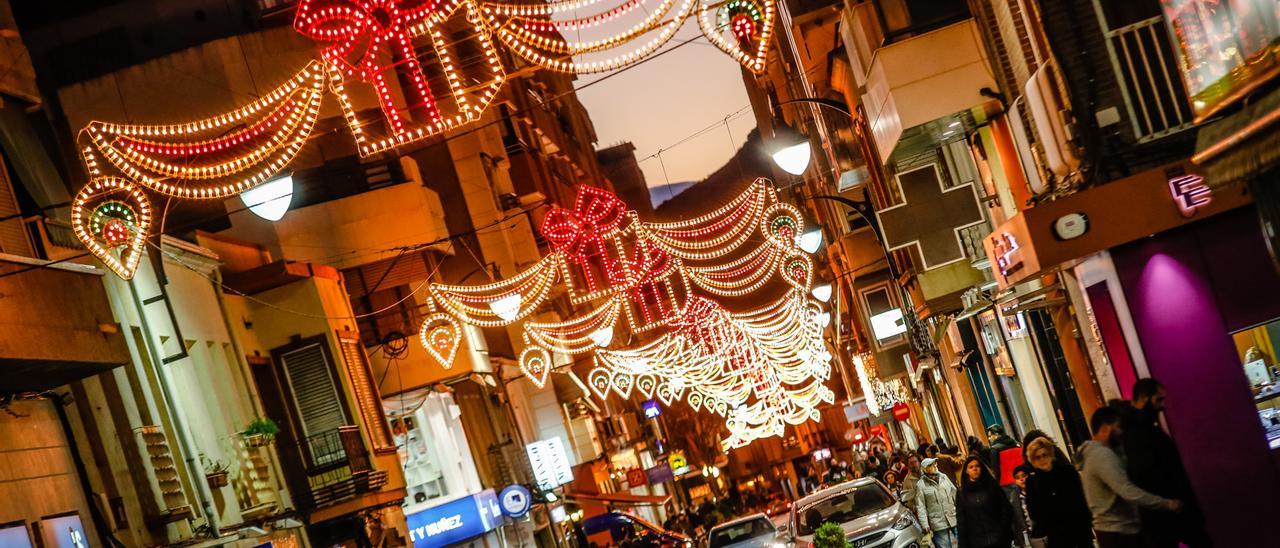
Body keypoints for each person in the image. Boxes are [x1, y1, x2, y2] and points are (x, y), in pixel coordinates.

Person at [1119, 379, 1212, 548]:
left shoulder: (1137, 427)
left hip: (1164, 508)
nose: (1162, 406)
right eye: (1158, 400)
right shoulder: (1139, 431)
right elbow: (1148, 469)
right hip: (1167, 507)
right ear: (1145, 398)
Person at [1080, 406, 1181, 548]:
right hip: (1118, 531)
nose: (1121, 432)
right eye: (1118, 427)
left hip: (1116, 530)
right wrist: (1167, 504)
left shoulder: (1099, 454)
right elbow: (1128, 491)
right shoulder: (1101, 456)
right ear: (1106, 428)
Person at [1024, 437, 1093, 548]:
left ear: (1051, 455)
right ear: (1033, 460)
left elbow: (1082, 497)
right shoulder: (1032, 482)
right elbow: (1033, 510)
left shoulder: (1068, 472)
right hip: (1055, 533)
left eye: (1044, 455)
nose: (1042, 460)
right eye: (1037, 457)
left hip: (1079, 527)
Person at [956, 455, 1015, 548]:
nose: (975, 469)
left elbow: (1005, 508)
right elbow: (961, 520)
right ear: (966, 471)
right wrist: (963, 543)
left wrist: (1004, 529)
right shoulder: (962, 493)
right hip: (977, 541)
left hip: (999, 538)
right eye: (971, 467)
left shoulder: (991, 485)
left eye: (977, 466)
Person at [914, 457, 958, 548]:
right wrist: (925, 524)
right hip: (937, 522)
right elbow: (921, 506)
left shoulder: (944, 477)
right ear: (925, 469)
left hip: (953, 516)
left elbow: (955, 493)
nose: (934, 466)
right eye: (930, 465)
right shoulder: (921, 485)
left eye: (935, 463)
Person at [1009, 464, 1034, 547]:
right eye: (1017, 478)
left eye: (1024, 476)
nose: (1022, 479)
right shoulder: (1015, 497)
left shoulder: (1037, 490)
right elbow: (1016, 520)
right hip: (1029, 534)